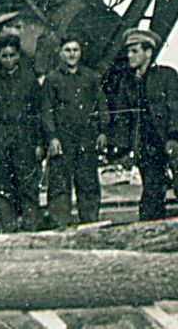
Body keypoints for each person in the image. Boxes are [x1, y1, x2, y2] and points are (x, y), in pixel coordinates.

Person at [110, 28, 178, 220]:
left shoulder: (166, 75)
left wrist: (174, 137)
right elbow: (123, 119)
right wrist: (124, 149)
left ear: (148, 52)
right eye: (128, 51)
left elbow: (176, 109)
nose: (129, 55)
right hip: (146, 146)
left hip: (169, 141)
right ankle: (152, 226)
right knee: (151, 190)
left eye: (135, 51)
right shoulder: (127, 83)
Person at [0, 33, 45, 232]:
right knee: (2, 183)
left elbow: (38, 113)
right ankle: (7, 225)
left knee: (27, 182)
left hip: (24, 137)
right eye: (4, 56)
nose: (8, 60)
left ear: (18, 55)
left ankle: (31, 224)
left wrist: (39, 143)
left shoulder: (29, 81)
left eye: (12, 55)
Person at [42, 35, 109, 227]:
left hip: (86, 137)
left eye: (75, 50)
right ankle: (60, 223)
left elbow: (101, 105)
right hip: (63, 138)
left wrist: (102, 131)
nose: (72, 54)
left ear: (80, 53)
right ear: (60, 53)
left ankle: (90, 221)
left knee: (88, 181)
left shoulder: (91, 77)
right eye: (67, 50)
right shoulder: (52, 79)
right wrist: (52, 137)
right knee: (59, 183)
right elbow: (47, 110)